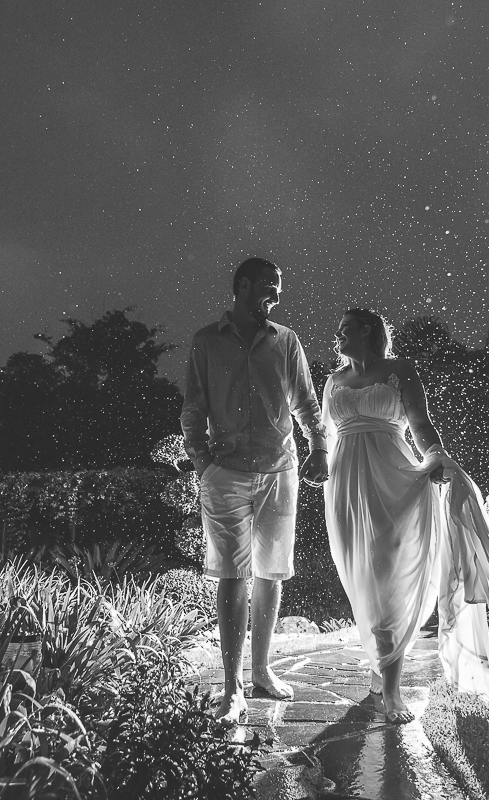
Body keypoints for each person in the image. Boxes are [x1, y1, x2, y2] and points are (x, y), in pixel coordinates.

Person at [322, 308, 489, 723]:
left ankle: (390, 689)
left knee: (388, 574)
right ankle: (379, 663)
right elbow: (325, 436)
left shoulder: (400, 369)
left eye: (345, 329)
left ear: (368, 331)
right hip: (346, 486)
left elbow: (421, 424)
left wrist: (436, 456)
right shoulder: (333, 381)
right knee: (363, 577)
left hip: (395, 478)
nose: (338, 337)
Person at [181, 257, 330, 724]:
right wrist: (203, 464)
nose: (277, 296)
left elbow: (305, 400)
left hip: (279, 469)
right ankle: (232, 689)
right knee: (231, 573)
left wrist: (318, 448)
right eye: (269, 286)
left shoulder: (286, 341)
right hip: (223, 471)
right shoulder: (206, 342)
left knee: (271, 572)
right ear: (242, 287)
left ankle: (262, 670)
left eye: (278, 288)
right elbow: (193, 408)